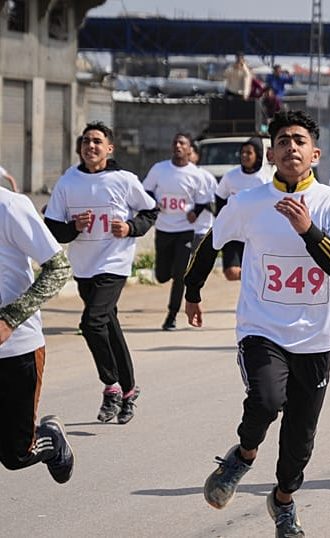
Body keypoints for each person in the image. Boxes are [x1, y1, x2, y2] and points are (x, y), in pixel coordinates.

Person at [184, 110, 330, 537]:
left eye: (300, 141)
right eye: (283, 141)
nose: (291, 147)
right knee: (265, 400)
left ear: (315, 154)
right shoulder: (248, 203)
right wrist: (192, 291)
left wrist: (308, 230)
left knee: (300, 439)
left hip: (315, 337)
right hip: (261, 328)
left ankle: (282, 501)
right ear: (270, 154)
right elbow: (210, 243)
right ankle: (243, 455)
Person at [44, 122, 158, 424]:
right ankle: (129, 391)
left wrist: (130, 227)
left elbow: (150, 210)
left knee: (92, 322)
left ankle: (111, 386)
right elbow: (53, 226)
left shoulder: (124, 179)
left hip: (114, 262)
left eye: (97, 141)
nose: (90, 146)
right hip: (84, 266)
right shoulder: (68, 181)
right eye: (86, 141)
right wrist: (73, 227)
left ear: (109, 148)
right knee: (109, 326)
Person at [1, 185, 74, 482]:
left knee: (16, 454)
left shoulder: (9, 206)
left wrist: (10, 319)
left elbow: (59, 268)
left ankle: (52, 440)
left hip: (15, 348)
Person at [143, 133, 210, 330]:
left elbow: (203, 199)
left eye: (182, 143)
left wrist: (195, 212)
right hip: (164, 228)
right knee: (162, 275)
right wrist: (154, 204)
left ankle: (171, 315)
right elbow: (146, 190)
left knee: (181, 274)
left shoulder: (196, 174)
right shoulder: (159, 169)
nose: (178, 146)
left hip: (185, 230)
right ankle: (170, 269)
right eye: (175, 143)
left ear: (190, 149)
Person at [215, 138, 268, 281]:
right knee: (231, 273)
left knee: (256, 271)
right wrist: (223, 219)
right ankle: (249, 279)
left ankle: (250, 286)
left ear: (258, 155)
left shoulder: (265, 179)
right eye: (242, 152)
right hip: (234, 232)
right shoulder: (230, 176)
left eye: (249, 153)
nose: (244, 156)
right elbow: (220, 197)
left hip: (255, 234)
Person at [189, 143, 218, 251]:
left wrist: (200, 205)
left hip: (201, 230)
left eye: (189, 154)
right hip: (179, 230)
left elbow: (215, 203)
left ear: (197, 156)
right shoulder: (175, 176)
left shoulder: (206, 177)